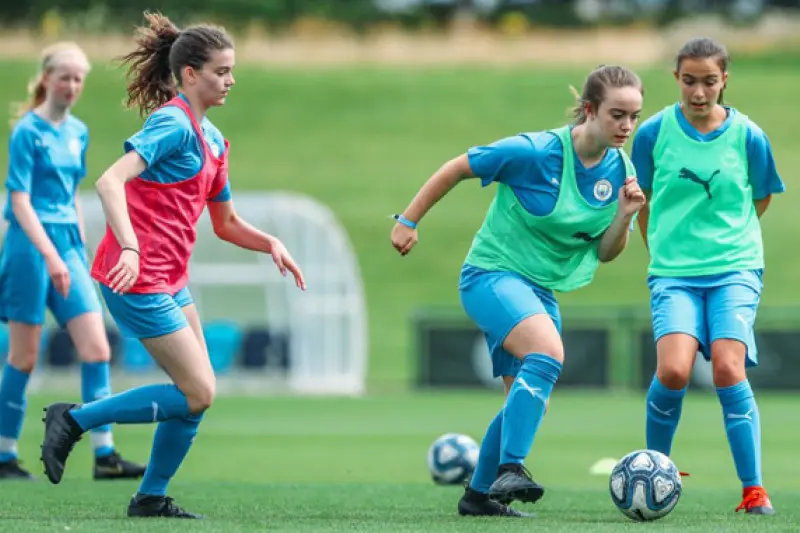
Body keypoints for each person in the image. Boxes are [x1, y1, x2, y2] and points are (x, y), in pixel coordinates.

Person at [39, 13, 305, 518]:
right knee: (198, 389)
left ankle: (150, 497)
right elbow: (110, 182)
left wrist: (269, 241)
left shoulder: (214, 140)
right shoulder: (173, 122)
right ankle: (74, 419)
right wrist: (132, 247)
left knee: (197, 394)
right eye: (221, 71)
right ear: (188, 75)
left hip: (170, 279)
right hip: (134, 277)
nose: (230, 80)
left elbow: (225, 223)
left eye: (231, 71)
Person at [391, 65, 647, 517]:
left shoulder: (620, 169)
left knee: (525, 404)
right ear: (589, 110)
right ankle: (512, 467)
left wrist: (625, 214)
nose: (627, 126)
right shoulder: (535, 151)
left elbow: (607, 253)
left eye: (634, 116)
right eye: (617, 114)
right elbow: (457, 167)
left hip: (540, 290)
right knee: (548, 354)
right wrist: (408, 221)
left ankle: (478, 497)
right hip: (490, 277)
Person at [632, 37, 784, 516]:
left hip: (734, 269)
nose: (699, 92)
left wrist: (727, 241)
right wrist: (662, 248)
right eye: (689, 81)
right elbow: (640, 199)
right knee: (673, 370)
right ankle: (657, 475)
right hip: (673, 273)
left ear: (725, 80)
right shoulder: (653, 133)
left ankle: (753, 490)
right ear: (676, 79)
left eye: (709, 81)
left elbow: (761, 197)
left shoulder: (749, 135)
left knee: (726, 367)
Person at [0, 42, 146, 481]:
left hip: (66, 247)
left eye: (78, 78)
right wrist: (50, 255)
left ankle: (105, 454)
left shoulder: (78, 131)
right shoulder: (27, 131)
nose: (71, 85)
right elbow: (19, 200)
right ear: (46, 79)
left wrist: (78, 249)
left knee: (97, 347)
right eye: (64, 76)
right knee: (24, 357)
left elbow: (71, 194)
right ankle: (5, 454)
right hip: (29, 248)